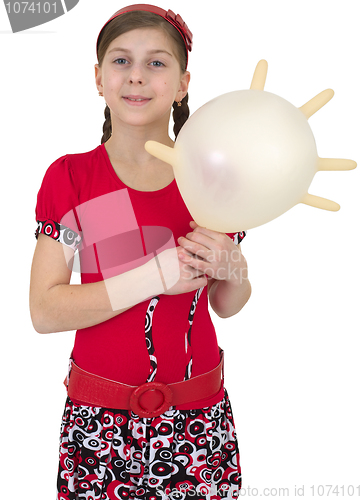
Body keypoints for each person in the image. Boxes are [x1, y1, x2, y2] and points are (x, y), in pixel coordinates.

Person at [29, 4, 252, 500]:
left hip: (200, 419)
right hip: (98, 428)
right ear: (98, 77)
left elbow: (227, 303)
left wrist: (233, 266)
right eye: (120, 60)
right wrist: (155, 275)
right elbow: (44, 311)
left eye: (157, 63)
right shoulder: (73, 178)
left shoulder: (213, 179)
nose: (136, 77)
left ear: (183, 82)